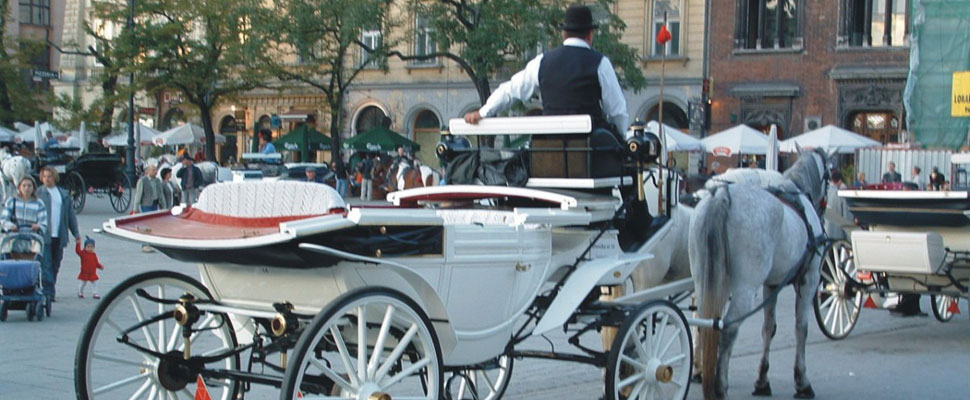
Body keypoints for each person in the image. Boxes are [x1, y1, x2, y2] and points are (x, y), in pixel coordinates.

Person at [463, 4, 628, 137]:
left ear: (564, 34)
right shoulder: (600, 62)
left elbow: (510, 90)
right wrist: (621, 140)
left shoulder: (542, 61)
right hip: (588, 150)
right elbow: (617, 111)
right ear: (590, 35)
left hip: (549, 147)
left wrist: (483, 112)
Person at [38, 166, 80, 300]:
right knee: (46, 265)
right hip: (44, 236)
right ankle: (48, 293)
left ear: (54, 177)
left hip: (60, 235)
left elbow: (70, 215)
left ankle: (50, 287)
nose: (47, 179)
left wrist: (76, 234)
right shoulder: (38, 193)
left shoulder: (63, 194)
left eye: (49, 176)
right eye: (44, 176)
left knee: (56, 264)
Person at [824, 171, 854, 241]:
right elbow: (846, 218)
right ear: (840, 181)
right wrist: (849, 239)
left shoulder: (824, 193)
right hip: (838, 236)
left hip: (824, 235)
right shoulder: (840, 196)